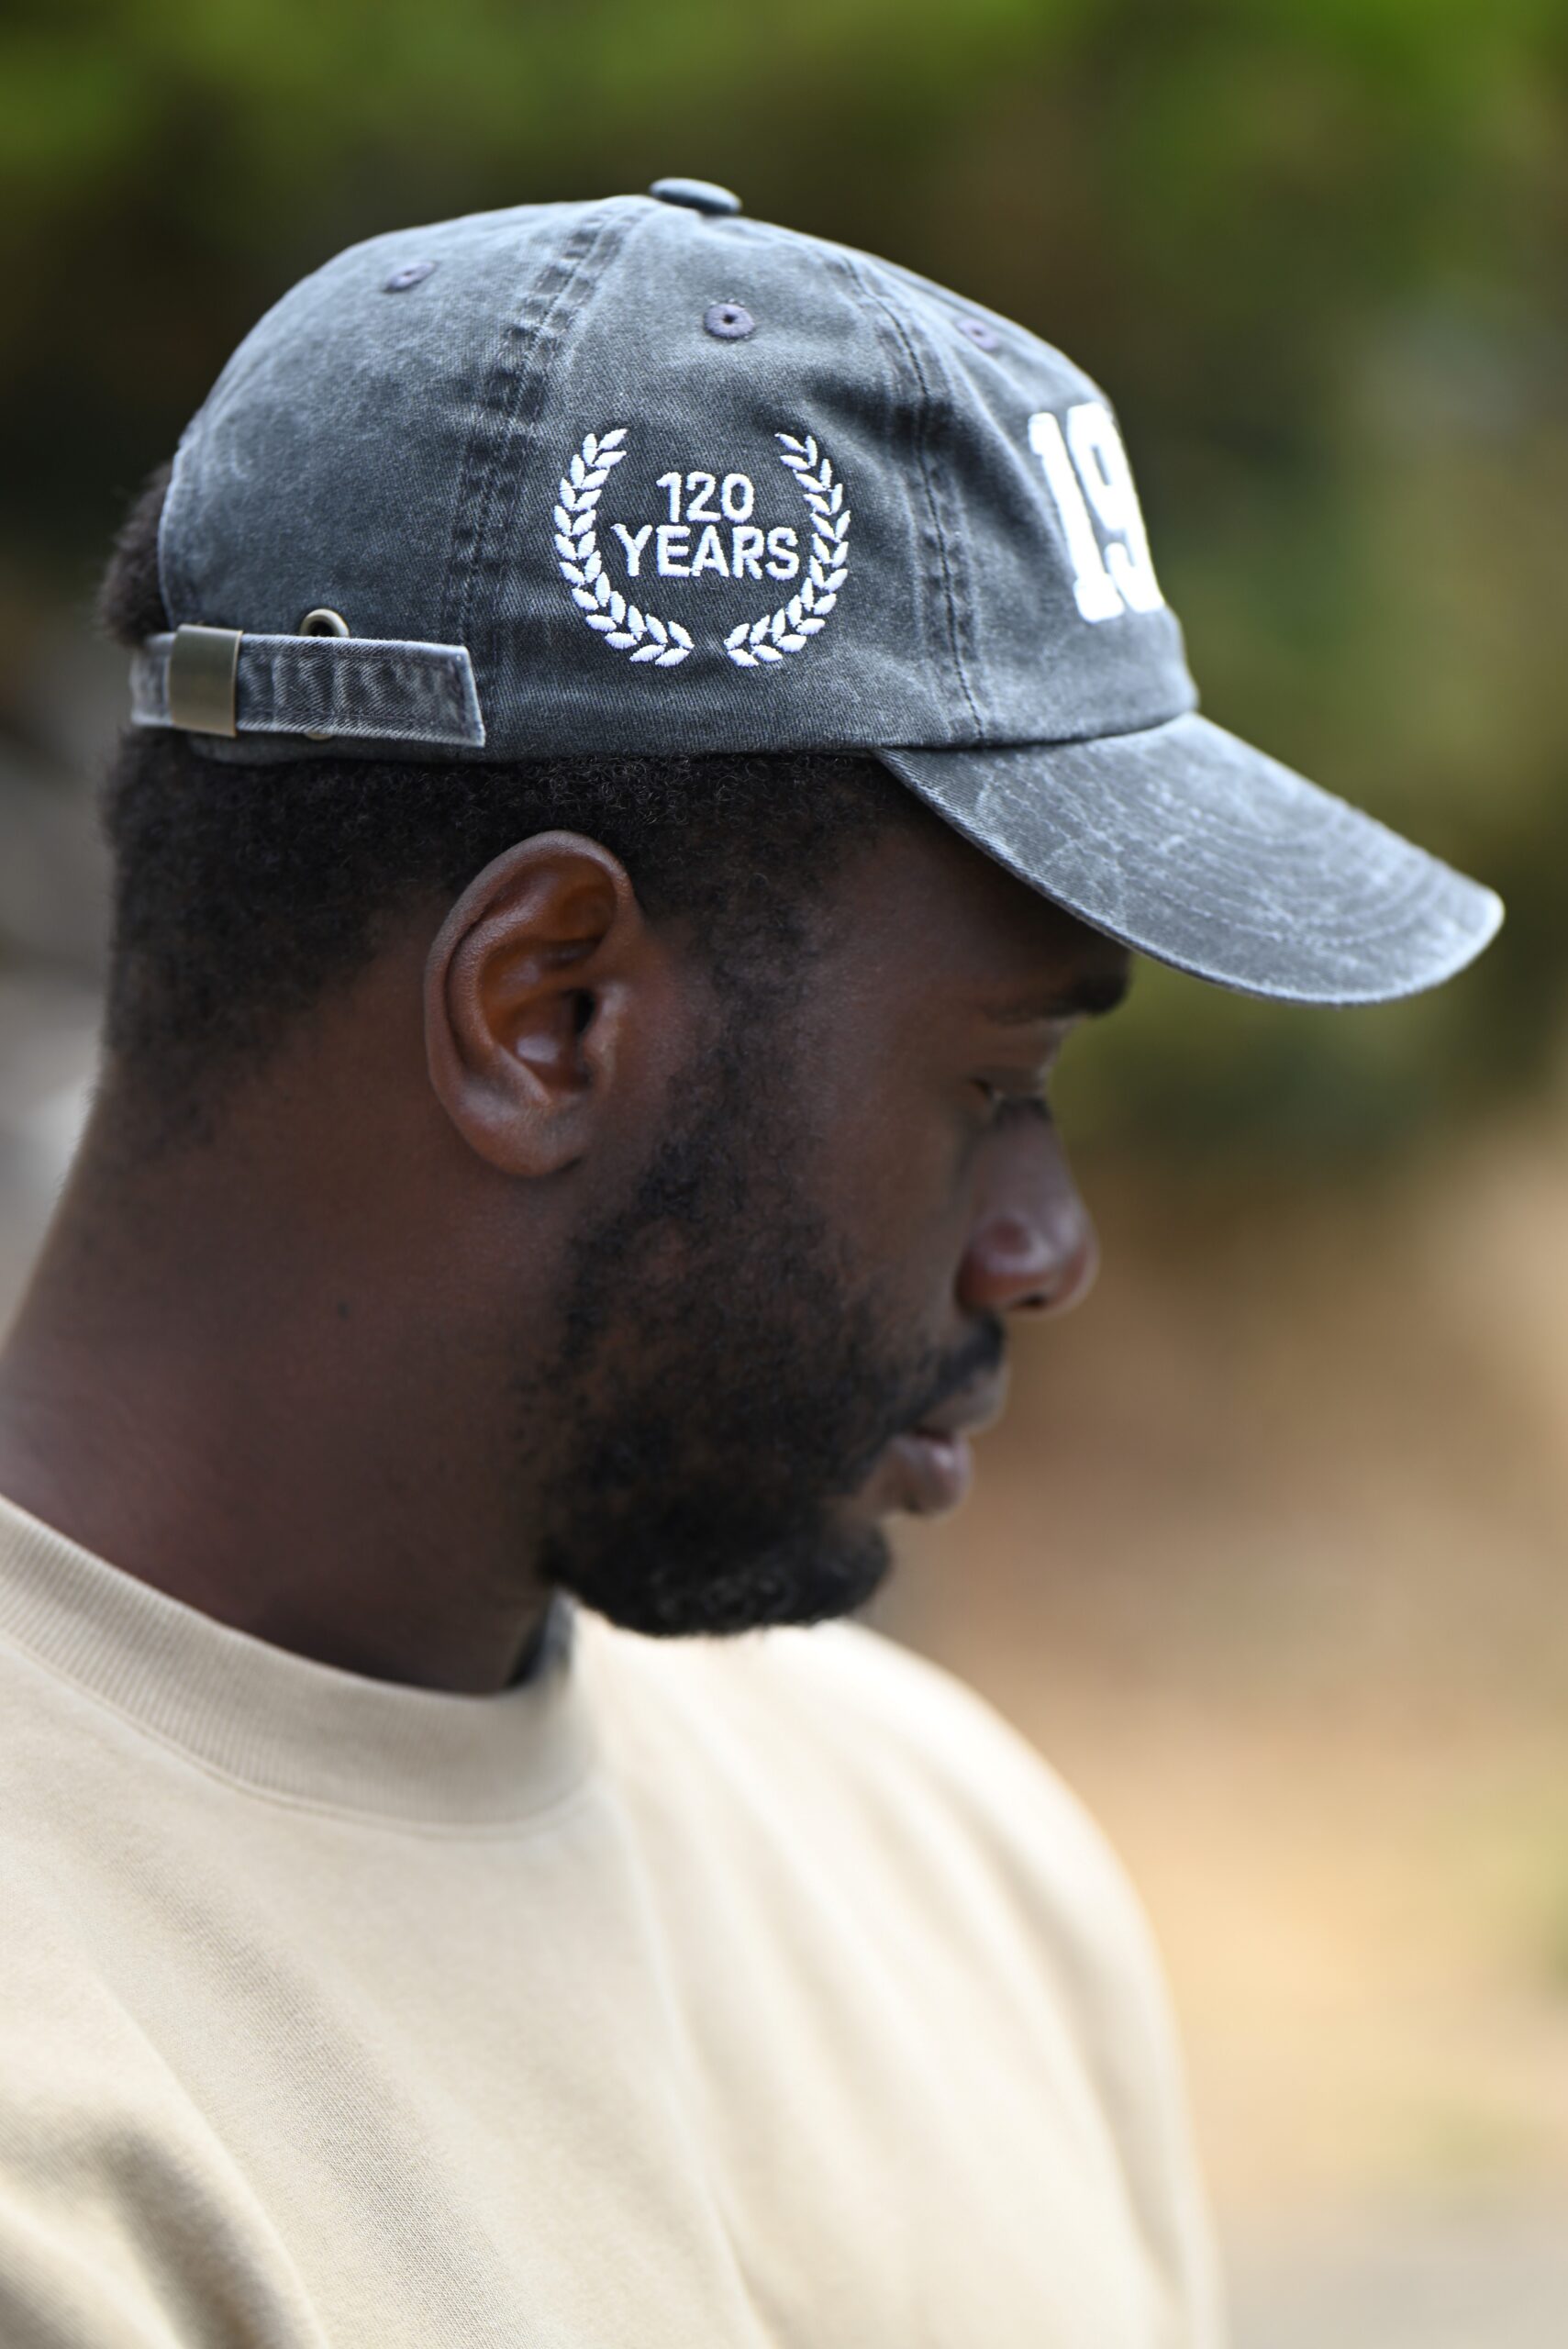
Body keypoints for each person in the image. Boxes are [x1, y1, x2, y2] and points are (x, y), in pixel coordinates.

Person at [0, 179, 1500, 2348]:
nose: (1051, 1248)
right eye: (996, 1081)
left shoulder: (953, 1856)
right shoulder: (59, 2134)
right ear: (546, 1010)